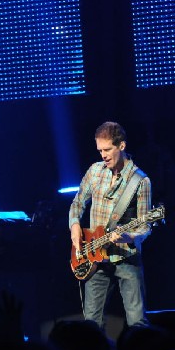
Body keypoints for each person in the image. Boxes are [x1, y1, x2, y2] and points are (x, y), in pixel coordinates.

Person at [69, 121, 153, 332]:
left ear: (121, 146)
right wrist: (75, 225)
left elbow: (145, 227)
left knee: (138, 323)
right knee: (91, 325)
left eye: (107, 150)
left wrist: (129, 237)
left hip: (126, 257)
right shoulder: (95, 171)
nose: (103, 155)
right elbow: (78, 203)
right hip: (94, 258)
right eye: (100, 150)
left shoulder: (140, 181)